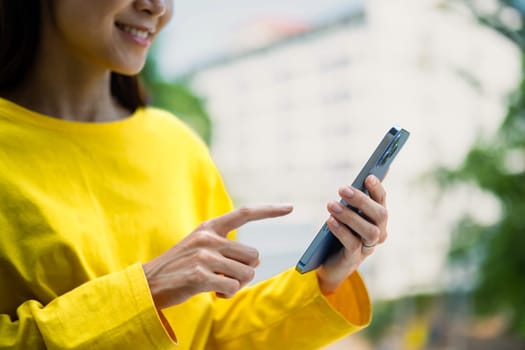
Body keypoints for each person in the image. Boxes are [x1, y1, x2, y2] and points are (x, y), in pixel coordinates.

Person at [0, 1, 389, 349]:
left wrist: (327, 279)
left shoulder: (178, 145)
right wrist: (145, 293)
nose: (157, 8)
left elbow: (211, 332)